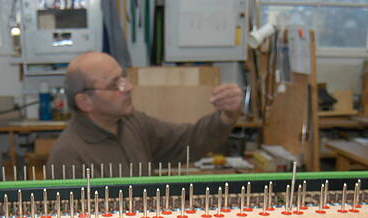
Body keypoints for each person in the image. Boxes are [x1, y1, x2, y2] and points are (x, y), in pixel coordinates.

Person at [47, 52, 243, 171]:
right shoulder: (68, 155)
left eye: (123, 78)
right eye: (116, 84)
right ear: (85, 102)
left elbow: (188, 140)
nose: (129, 87)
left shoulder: (133, 123)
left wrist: (227, 116)